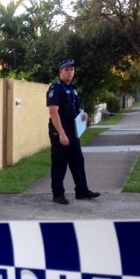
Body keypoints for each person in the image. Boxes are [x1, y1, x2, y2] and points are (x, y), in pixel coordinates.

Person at [46, 59, 100, 204]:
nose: (70, 72)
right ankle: (58, 194)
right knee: (60, 163)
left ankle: (82, 190)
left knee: (77, 160)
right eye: (66, 70)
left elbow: (75, 110)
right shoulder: (56, 89)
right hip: (60, 132)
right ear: (60, 72)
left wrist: (83, 116)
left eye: (72, 70)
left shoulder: (73, 89)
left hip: (73, 131)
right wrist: (62, 134)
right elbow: (53, 113)